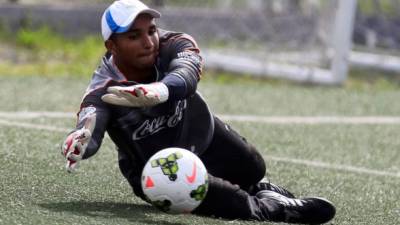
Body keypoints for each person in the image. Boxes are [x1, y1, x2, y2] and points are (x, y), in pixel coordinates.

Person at [61, 0, 336, 224]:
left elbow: (187, 74)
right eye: (134, 36)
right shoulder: (104, 88)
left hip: (203, 135)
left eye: (151, 30)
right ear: (112, 46)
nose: (148, 42)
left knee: (254, 168)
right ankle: (278, 211)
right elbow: (89, 126)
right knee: (232, 202)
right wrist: (80, 142)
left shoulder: (174, 43)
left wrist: (159, 91)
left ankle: (262, 189)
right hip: (161, 170)